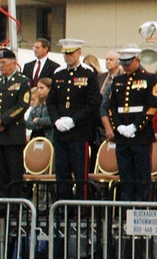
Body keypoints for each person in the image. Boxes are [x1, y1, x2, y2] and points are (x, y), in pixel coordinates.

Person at [48, 39, 100, 200]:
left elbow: (92, 104)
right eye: (65, 53)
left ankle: (81, 207)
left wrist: (73, 120)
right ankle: (64, 205)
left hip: (79, 131)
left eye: (71, 53)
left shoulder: (88, 74)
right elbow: (51, 101)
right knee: (62, 172)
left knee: (80, 172)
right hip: (61, 131)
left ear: (79, 52)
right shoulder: (59, 74)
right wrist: (56, 120)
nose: (68, 57)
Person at [108, 46, 157, 201]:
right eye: (123, 63)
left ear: (137, 60)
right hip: (122, 135)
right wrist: (118, 126)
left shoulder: (149, 79)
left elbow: (152, 105)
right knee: (125, 175)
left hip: (140, 135)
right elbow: (112, 107)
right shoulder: (117, 81)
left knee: (142, 175)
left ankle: (142, 206)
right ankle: (127, 207)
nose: (125, 66)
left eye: (128, 63)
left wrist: (136, 126)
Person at [0, 49, 31, 195]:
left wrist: (2, 120)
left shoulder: (22, 81)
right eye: (0, 63)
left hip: (13, 134)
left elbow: (22, 106)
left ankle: (14, 204)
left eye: (4, 63)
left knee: (14, 172)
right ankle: (1, 204)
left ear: (13, 63)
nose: (1, 66)